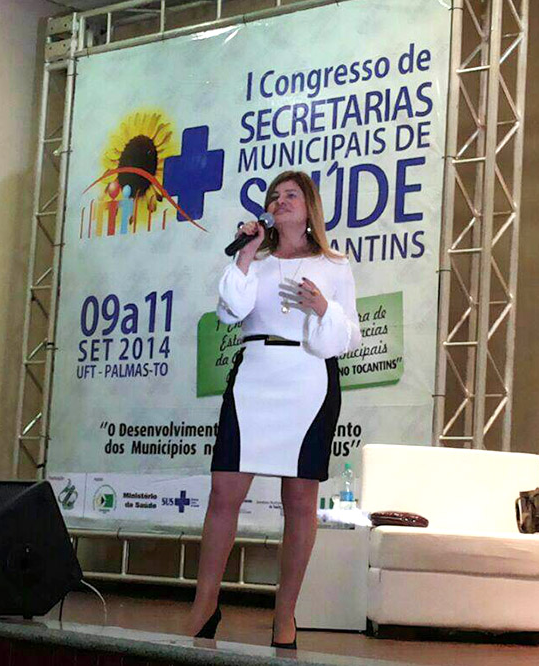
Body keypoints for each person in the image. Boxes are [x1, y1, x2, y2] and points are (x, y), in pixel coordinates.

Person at [186, 171, 362, 649]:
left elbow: (350, 336)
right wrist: (245, 255)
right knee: (224, 492)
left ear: (309, 208)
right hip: (254, 377)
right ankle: (204, 606)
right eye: (274, 196)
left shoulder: (334, 264)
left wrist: (323, 308)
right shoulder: (256, 261)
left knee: (300, 502)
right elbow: (229, 312)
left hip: (308, 381)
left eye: (291, 195)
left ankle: (285, 615)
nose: (280, 201)